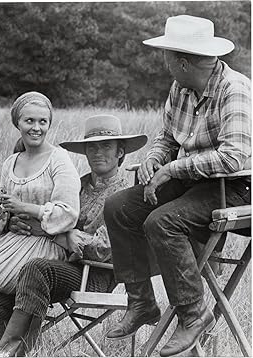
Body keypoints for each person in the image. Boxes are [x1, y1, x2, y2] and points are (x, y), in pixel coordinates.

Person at [103, 15, 251, 357]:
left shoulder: (235, 89)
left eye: (167, 55)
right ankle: (141, 303)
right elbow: (168, 137)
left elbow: (232, 157)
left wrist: (172, 169)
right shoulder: (181, 88)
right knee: (118, 206)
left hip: (235, 188)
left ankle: (194, 313)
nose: (164, 61)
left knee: (163, 222)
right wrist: (157, 158)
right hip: (191, 182)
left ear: (182, 62)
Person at [0, 114, 148, 357]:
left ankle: (8, 353)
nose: (98, 153)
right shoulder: (76, 185)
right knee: (0, 283)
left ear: (121, 152)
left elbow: (104, 248)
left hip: (97, 274)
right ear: (85, 152)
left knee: (36, 269)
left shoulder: (127, 193)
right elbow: (46, 220)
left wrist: (60, 235)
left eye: (106, 146)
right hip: (57, 264)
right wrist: (17, 222)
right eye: (92, 147)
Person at [0, 91, 81, 318]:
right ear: (17, 123)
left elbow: (68, 214)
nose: (36, 127)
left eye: (43, 121)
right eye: (29, 120)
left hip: (45, 247)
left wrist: (24, 208)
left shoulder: (59, 159)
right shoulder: (11, 162)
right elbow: (1, 219)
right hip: (10, 243)